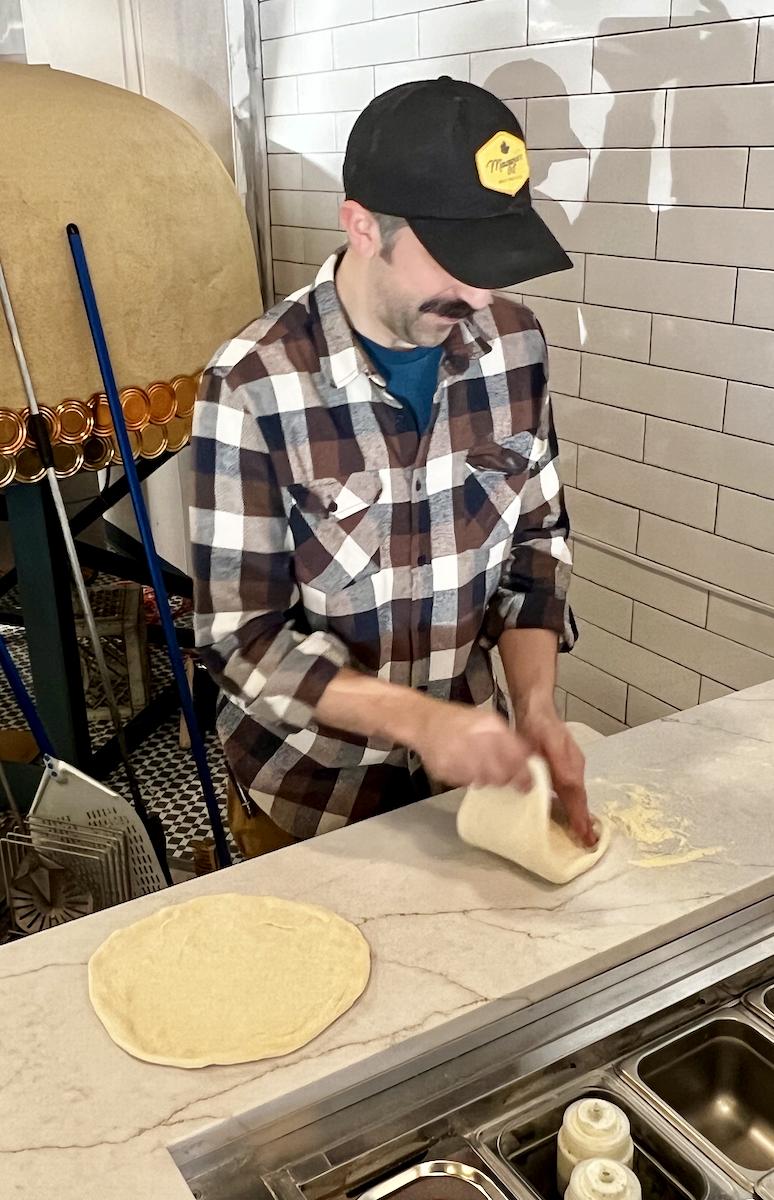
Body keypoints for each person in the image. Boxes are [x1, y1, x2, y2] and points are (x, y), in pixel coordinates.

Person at [191, 77, 594, 858]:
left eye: (494, 262)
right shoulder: (252, 385)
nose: (478, 293)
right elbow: (241, 640)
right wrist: (418, 721)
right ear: (363, 226)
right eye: (453, 261)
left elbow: (536, 547)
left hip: (469, 791)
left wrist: (537, 707)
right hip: (310, 795)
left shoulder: (514, 347)